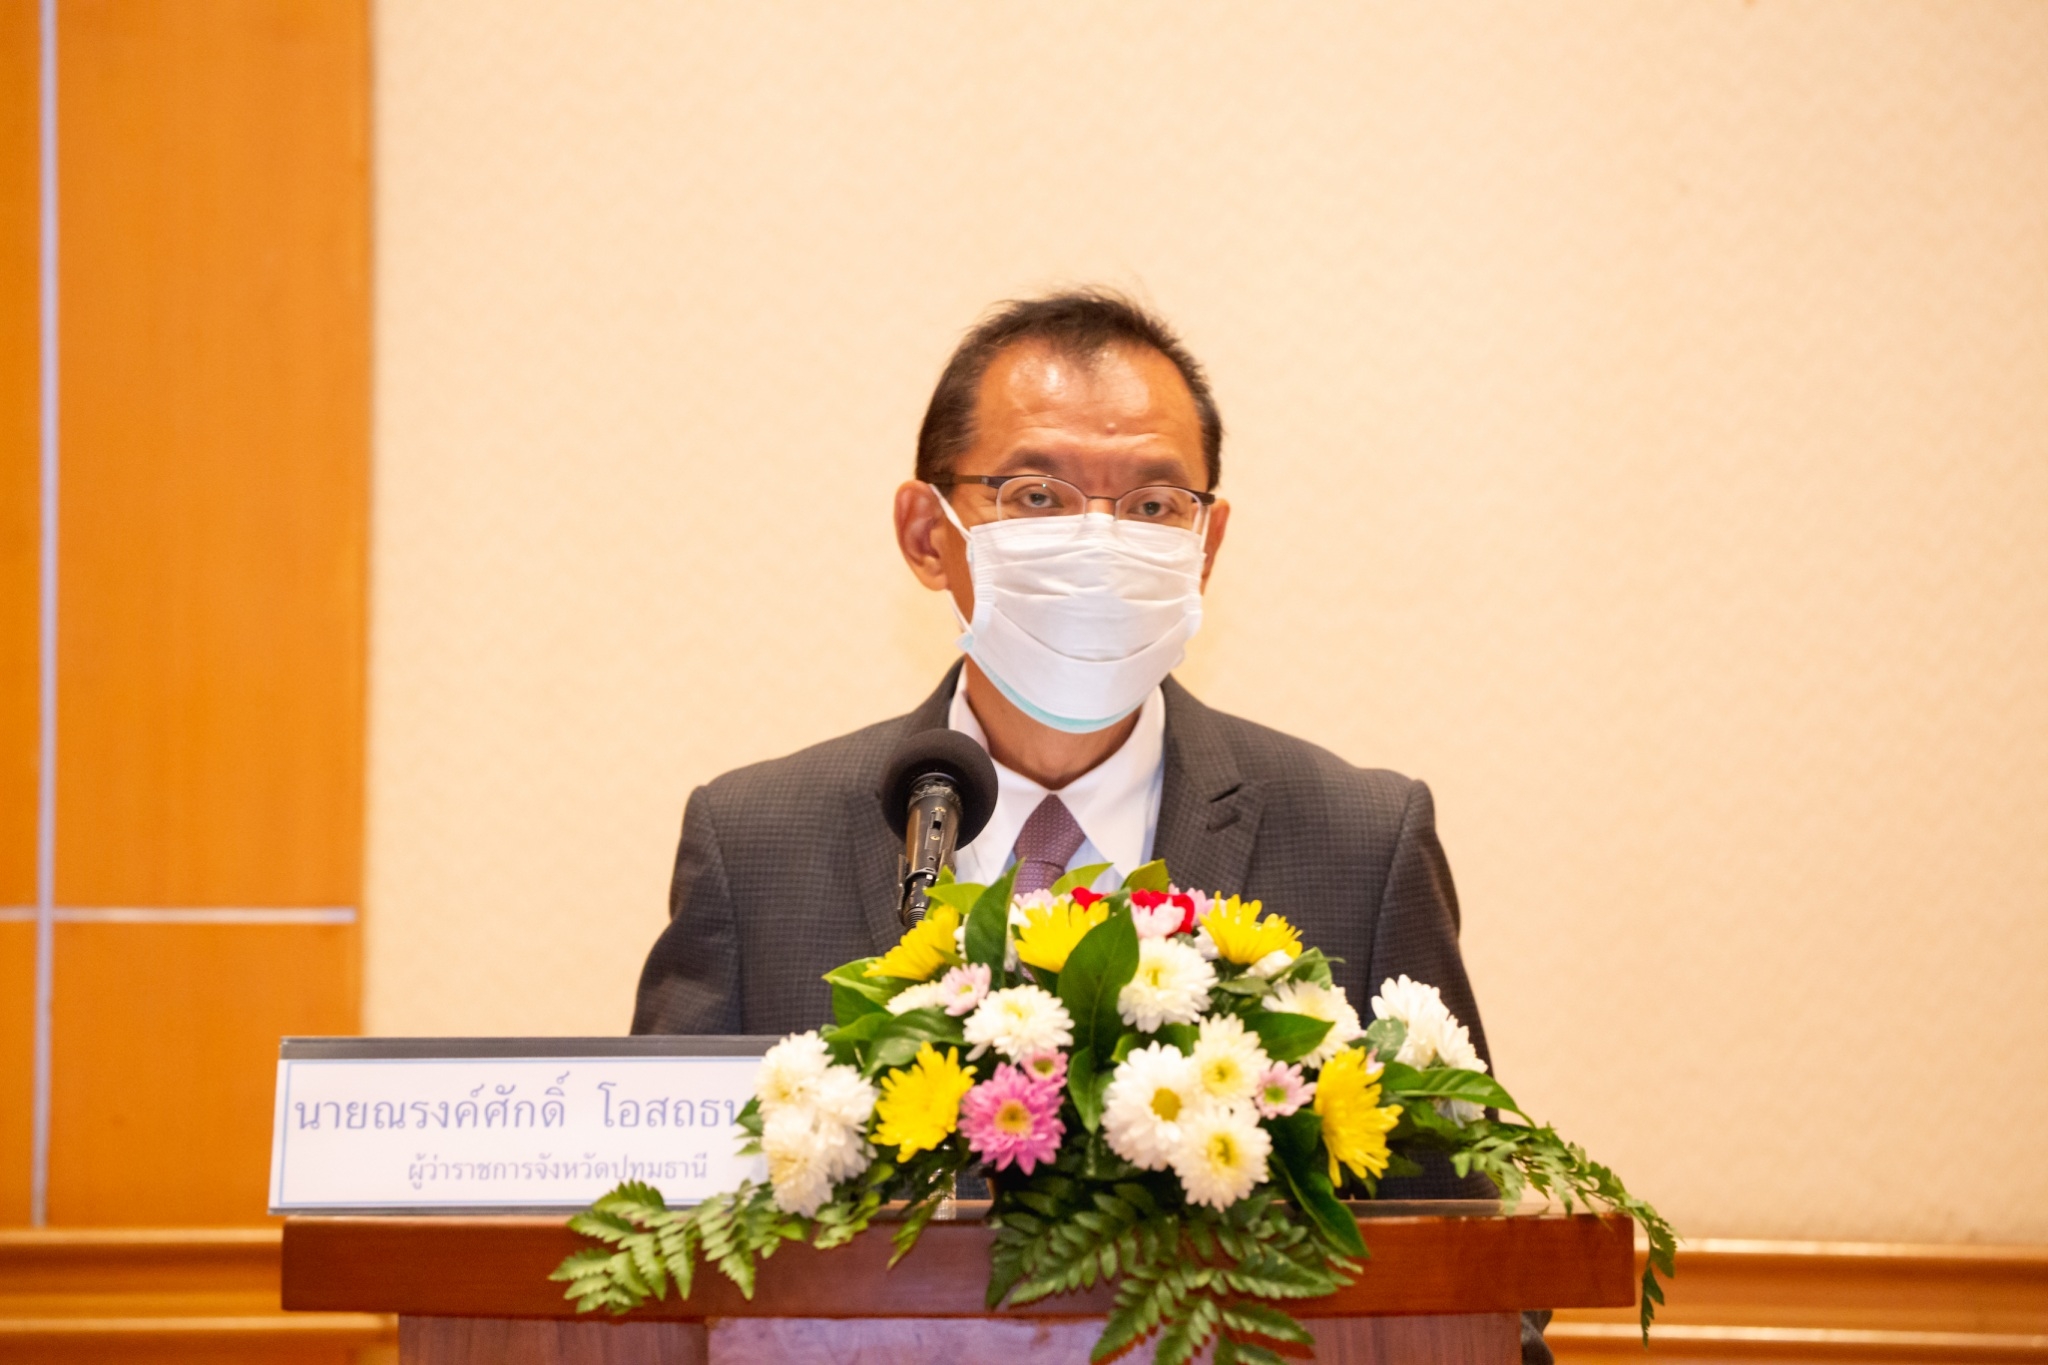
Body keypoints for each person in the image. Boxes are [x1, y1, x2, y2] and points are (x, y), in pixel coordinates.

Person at [633, 290, 1552, 1360]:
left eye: (1154, 503)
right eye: (1037, 495)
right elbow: (651, 1250)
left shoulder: (1359, 840)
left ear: (1206, 543)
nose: (1099, 542)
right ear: (927, 534)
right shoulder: (755, 843)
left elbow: (1475, 1275)